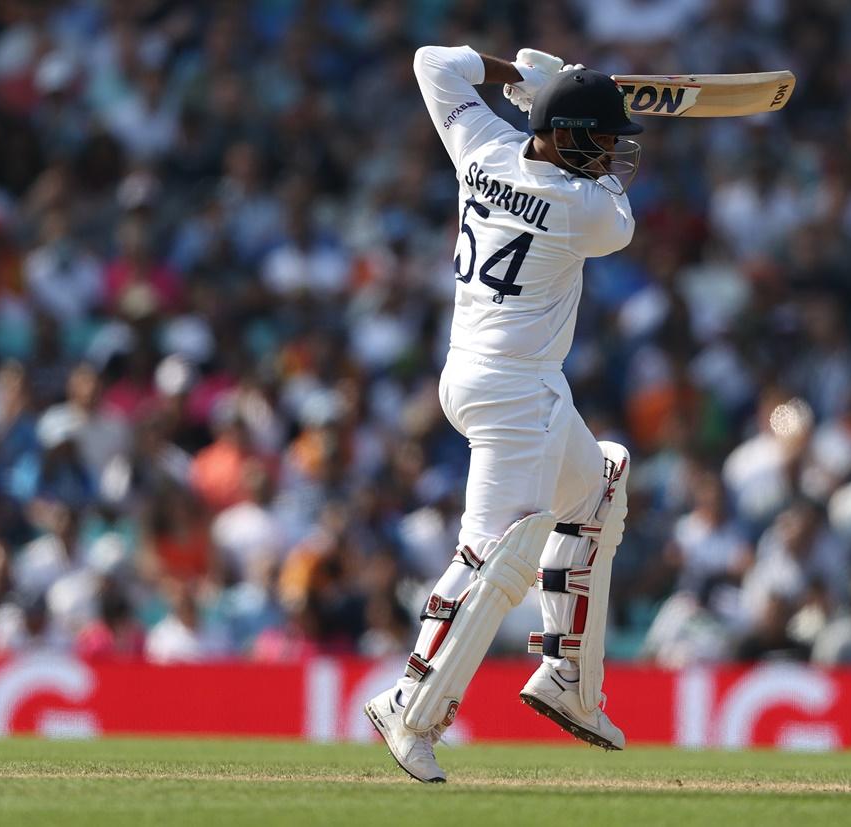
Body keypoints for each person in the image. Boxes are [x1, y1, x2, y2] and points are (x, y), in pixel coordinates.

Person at [365, 45, 642, 782]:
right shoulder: (583, 206)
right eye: (604, 139)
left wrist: (514, 78)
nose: (614, 152)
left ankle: (569, 682)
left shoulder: (481, 144)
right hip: (518, 392)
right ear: (570, 135)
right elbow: (619, 221)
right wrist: (547, 95)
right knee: (493, 553)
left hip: (469, 371)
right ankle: (410, 705)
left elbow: (430, 62)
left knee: (597, 487)